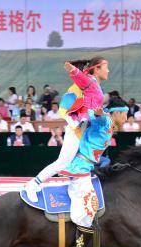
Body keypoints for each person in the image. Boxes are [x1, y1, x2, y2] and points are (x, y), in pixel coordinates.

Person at [25, 57, 108, 201]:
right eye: (84, 72)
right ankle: (32, 185)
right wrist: (78, 124)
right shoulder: (75, 89)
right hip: (77, 130)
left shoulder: (93, 86)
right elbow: (64, 111)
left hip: (85, 131)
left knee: (84, 162)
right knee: (62, 162)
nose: (85, 75)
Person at [64, 98, 128, 247]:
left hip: (87, 167)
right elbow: (97, 117)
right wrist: (98, 111)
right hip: (80, 168)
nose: (126, 118)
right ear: (116, 113)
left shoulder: (109, 126)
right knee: (91, 206)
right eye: (125, 114)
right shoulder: (105, 120)